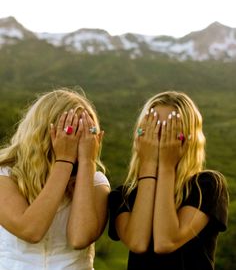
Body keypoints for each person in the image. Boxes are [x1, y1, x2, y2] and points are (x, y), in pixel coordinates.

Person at [108, 91, 228, 270]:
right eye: (153, 126)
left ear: (188, 137)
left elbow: (166, 241)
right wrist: (148, 165)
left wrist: (166, 167)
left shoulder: (207, 186)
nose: (160, 135)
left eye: (170, 128)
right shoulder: (123, 195)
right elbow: (137, 243)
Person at [0, 88, 110, 270]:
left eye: (87, 131)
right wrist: (64, 161)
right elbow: (30, 230)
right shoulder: (5, 175)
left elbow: (79, 238)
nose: (79, 139)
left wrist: (87, 161)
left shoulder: (96, 182)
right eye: (71, 131)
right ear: (45, 132)